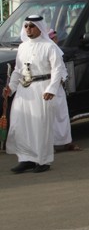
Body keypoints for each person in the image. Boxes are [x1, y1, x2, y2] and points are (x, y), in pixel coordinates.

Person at [4, 15, 66, 173]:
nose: (28, 29)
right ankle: (26, 159)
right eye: (26, 26)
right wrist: (11, 87)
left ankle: (43, 160)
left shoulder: (49, 46)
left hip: (42, 89)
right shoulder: (23, 47)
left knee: (40, 125)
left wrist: (51, 89)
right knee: (21, 124)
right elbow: (18, 70)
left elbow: (57, 69)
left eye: (32, 26)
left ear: (40, 27)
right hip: (24, 90)